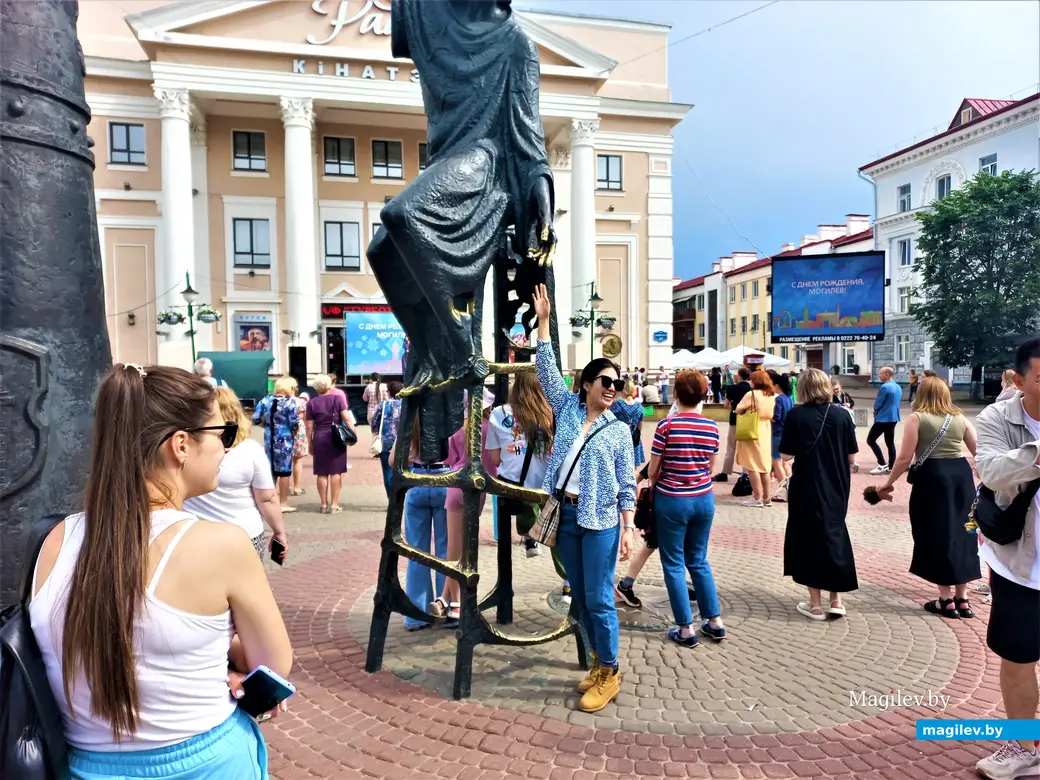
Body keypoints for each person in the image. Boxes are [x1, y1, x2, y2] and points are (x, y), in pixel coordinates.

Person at [29, 364, 292, 777]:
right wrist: (224, 656)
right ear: (181, 445)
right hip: (205, 762)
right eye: (222, 434)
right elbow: (272, 663)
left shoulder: (54, 541)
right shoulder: (222, 544)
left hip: (82, 765)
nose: (226, 448)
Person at [534, 284, 636, 713]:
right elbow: (545, 371)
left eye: (618, 383)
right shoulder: (568, 409)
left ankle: (609, 671)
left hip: (601, 522)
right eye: (606, 381)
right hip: (567, 516)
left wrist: (628, 527)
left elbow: (627, 484)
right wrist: (543, 322)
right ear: (587, 384)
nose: (613, 388)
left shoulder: (619, 429)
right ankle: (598, 664)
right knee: (579, 595)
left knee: (599, 598)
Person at [973, 338, 1040, 780]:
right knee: (1018, 657)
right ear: (1019, 380)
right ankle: (1024, 746)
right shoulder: (997, 417)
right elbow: (993, 472)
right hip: (1020, 563)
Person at [875, 376, 980, 618]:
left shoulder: (917, 418)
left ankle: (946, 600)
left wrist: (888, 483)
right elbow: (979, 451)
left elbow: (904, 458)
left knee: (936, 533)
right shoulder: (960, 417)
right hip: (961, 477)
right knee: (964, 532)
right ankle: (963, 599)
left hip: (933, 478)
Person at [646, 370, 725, 647]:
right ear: (704, 395)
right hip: (703, 499)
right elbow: (712, 468)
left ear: (676, 394)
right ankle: (714, 621)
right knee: (699, 560)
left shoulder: (666, 426)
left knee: (673, 563)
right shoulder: (712, 427)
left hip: (672, 500)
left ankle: (685, 628)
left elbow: (653, 470)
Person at [780, 367, 860, 620]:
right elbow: (852, 457)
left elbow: (785, 455)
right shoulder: (842, 414)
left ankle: (815, 604)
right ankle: (836, 599)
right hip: (837, 483)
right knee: (834, 534)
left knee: (807, 538)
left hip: (807, 483)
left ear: (802, 389)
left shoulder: (795, 415)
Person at [185, 387, 289, 560]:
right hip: (244, 534)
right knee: (248, 577)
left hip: (195, 534)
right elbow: (267, 498)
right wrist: (279, 532)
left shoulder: (184, 449)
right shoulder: (251, 450)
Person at [432, 389, 498, 625]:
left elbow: (448, 459)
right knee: (464, 549)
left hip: (455, 486)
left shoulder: (460, 429)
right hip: (476, 491)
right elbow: (494, 465)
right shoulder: (490, 430)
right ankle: (455, 603)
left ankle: (444, 599)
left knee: (454, 548)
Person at [485, 372, 554, 558]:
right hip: (549, 482)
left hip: (515, 483)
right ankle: (566, 572)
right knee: (558, 530)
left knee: (522, 495)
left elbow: (495, 459)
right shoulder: (551, 413)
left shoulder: (498, 413)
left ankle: (529, 535)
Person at [391, 418, 450, 632]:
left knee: (416, 552)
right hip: (446, 479)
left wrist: (412, 455)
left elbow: (393, 460)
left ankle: (416, 615)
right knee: (446, 551)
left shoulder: (411, 420)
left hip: (417, 480)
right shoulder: (447, 420)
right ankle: (448, 608)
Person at [305, 374, 355, 513]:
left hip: (319, 436)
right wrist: (353, 433)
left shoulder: (311, 403)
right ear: (329, 385)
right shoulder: (337, 399)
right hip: (336, 436)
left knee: (321, 472)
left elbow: (309, 425)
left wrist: (309, 442)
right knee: (336, 471)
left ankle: (323, 504)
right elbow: (347, 418)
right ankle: (334, 504)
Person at [252, 376, 300, 513]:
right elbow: (294, 423)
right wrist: (293, 430)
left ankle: (269, 502)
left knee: (270, 470)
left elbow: (255, 418)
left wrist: (266, 425)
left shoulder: (265, 400)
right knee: (284, 471)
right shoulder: (289, 402)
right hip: (284, 439)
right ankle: (283, 503)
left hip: (269, 438)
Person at [734, 370, 777, 507]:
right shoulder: (771, 395)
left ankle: (757, 497)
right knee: (764, 465)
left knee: (752, 465)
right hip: (766, 428)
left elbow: (738, 409)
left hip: (752, 429)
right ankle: (767, 498)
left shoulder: (751, 394)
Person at [715, 367, 751, 481]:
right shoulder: (752, 389)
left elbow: (725, 404)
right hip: (748, 421)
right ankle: (746, 473)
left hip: (735, 419)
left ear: (739, 376)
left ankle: (725, 472)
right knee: (746, 448)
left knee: (731, 447)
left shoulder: (732, 388)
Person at [370, 380, 403, 498]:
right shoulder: (407, 405)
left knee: (388, 472)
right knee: (406, 471)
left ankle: (392, 499)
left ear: (389, 392)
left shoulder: (384, 405)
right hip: (405, 443)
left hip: (386, 443)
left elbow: (374, 423)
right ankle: (403, 498)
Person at [868, 366, 902, 475]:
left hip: (883, 418)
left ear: (887, 374)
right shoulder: (898, 386)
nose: (879, 375)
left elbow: (879, 403)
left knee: (870, 440)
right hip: (894, 417)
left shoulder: (885, 387)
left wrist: (875, 411)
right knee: (890, 442)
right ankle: (891, 465)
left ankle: (881, 463)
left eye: (880, 373)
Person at [768, 370, 794, 502]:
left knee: (776, 462)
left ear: (777, 385)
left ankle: (784, 489)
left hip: (777, 432)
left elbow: (776, 416)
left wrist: (768, 418)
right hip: (787, 432)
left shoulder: (778, 399)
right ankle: (792, 487)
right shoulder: (789, 399)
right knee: (785, 463)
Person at [613, 380, 647, 470]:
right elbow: (640, 426)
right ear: (634, 390)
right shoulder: (639, 406)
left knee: (618, 466)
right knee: (634, 468)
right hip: (634, 438)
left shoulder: (617, 404)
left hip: (619, 438)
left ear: (623, 390)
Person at [290, 388, 309, 497]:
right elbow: (306, 420)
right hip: (298, 433)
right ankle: (297, 488)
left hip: (280, 433)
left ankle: (284, 487)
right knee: (297, 460)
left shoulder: (274, 402)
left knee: (283, 462)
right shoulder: (300, 402)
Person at [363, 372, 389, 449]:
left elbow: (365, 399)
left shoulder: (368, 387)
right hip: (383, 412)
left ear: (371, 379)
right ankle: (383, 449)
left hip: (372, 413)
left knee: (374, 433)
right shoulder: (385, 386)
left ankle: (376, 448)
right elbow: (387, 399)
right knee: (384, 432)